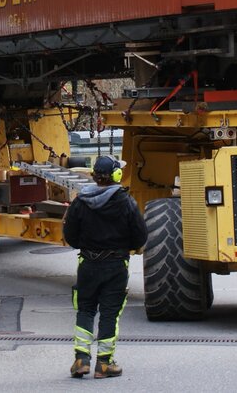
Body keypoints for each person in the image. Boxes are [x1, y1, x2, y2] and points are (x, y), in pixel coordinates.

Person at [62, 154, 147, 379]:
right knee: (110, 313)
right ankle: (104, 363)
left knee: (86, 310)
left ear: (94, 176)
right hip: (116, 265)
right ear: (116, 175)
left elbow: (70, 236)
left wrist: (89, 246)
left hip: (88, 265)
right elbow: (140, 237)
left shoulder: (80, 202)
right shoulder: (125, 201)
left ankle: (81, 360)